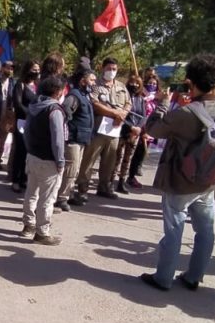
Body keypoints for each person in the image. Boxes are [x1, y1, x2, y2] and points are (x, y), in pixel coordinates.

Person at [139, 53, 215, 292]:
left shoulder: (186, 113)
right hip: (208, 179)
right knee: (206, 231)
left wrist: (162, 103)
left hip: (181, 180)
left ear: (191, 82)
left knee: (174, 230)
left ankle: (164, 277)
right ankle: (194, 276)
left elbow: (154, 129)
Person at [20, 76, 66, 245]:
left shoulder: (34, 106)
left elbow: (26, 131)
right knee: (47, 198)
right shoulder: (54, 110)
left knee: (31, 193)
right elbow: (58, 140)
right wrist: (60, 161)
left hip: (32, 156)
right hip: (48, 160)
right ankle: (42, 232)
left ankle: (28, 224)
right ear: (58, 92)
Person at [79, 57, 131, 200]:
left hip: (115, 130)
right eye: (109, 69)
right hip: (98, 128)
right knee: (89, 159)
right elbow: (94, 103)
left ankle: (104, 187)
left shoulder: (121, 86)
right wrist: (115, 113)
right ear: (103, 68)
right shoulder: (96, 85)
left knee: (110, 160)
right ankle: (82, 188)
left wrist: (122, 114)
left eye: (114, 69)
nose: (111, 71)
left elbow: (128, 104)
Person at [56, 65, 94, 211]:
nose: (93, 83)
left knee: (75, 170)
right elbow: (66, 110)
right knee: (70, 170)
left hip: (82, 139)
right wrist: (72, 127)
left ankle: (69, 194)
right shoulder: (74, 95)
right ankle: (62, 198)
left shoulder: (84, 95)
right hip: (73, 139)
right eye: (91, 80)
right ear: (83, 81)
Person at [127, 69, 161, 189]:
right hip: (140, 129)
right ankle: (130, 177)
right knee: (134, 153)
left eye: (154, 84)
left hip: (151, 130)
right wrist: (143, 130)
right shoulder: (142, 97)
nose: (152, 86)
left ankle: (134, 172)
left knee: (142, 153)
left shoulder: (156, 99)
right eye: (150, 83)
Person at [114, 73, 148, 194]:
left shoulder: (141, 99)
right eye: (132, 83)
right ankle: (111, 180)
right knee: (118, 157)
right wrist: (130, 127)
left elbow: (144, 116)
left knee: (128, 158)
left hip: (135, 134)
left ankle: (122, 182)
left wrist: (138, 128)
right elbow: (121, 114)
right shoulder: (123, 96)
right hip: (124, 131)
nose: (134, 85)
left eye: (137, 83)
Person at [9, 60, 40, 192]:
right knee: (20, 152)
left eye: (38, 69)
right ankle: (15, 179)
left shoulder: (37, 86)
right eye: (34, 69)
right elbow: (18, 103)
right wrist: (30, 114)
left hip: (33, 124)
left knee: (29, 153)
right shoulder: (20, 84)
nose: (36, 72)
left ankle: (24, 179)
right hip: (22, 121)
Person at [0, 60, 16, 170]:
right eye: (8, 68)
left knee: (1, 140)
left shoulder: (13, 82)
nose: (10, 70)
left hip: (6, 115)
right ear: (2, 68)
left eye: (11, 69)